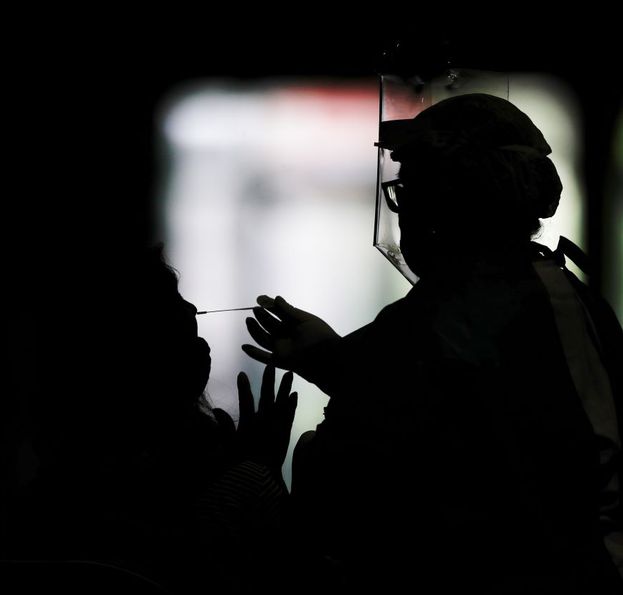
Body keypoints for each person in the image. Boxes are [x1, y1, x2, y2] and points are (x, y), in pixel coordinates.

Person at [242, 94, 623, 593]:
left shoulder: (468, 311)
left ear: (452, 199)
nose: (403, 211)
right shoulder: (530, 298)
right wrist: (333, 362)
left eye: (410, 189)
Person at [9, 245, 297, 594]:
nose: (192, 308)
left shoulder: (42, 505)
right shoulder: (231, 491)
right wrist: (260, 474)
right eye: (172, 299)